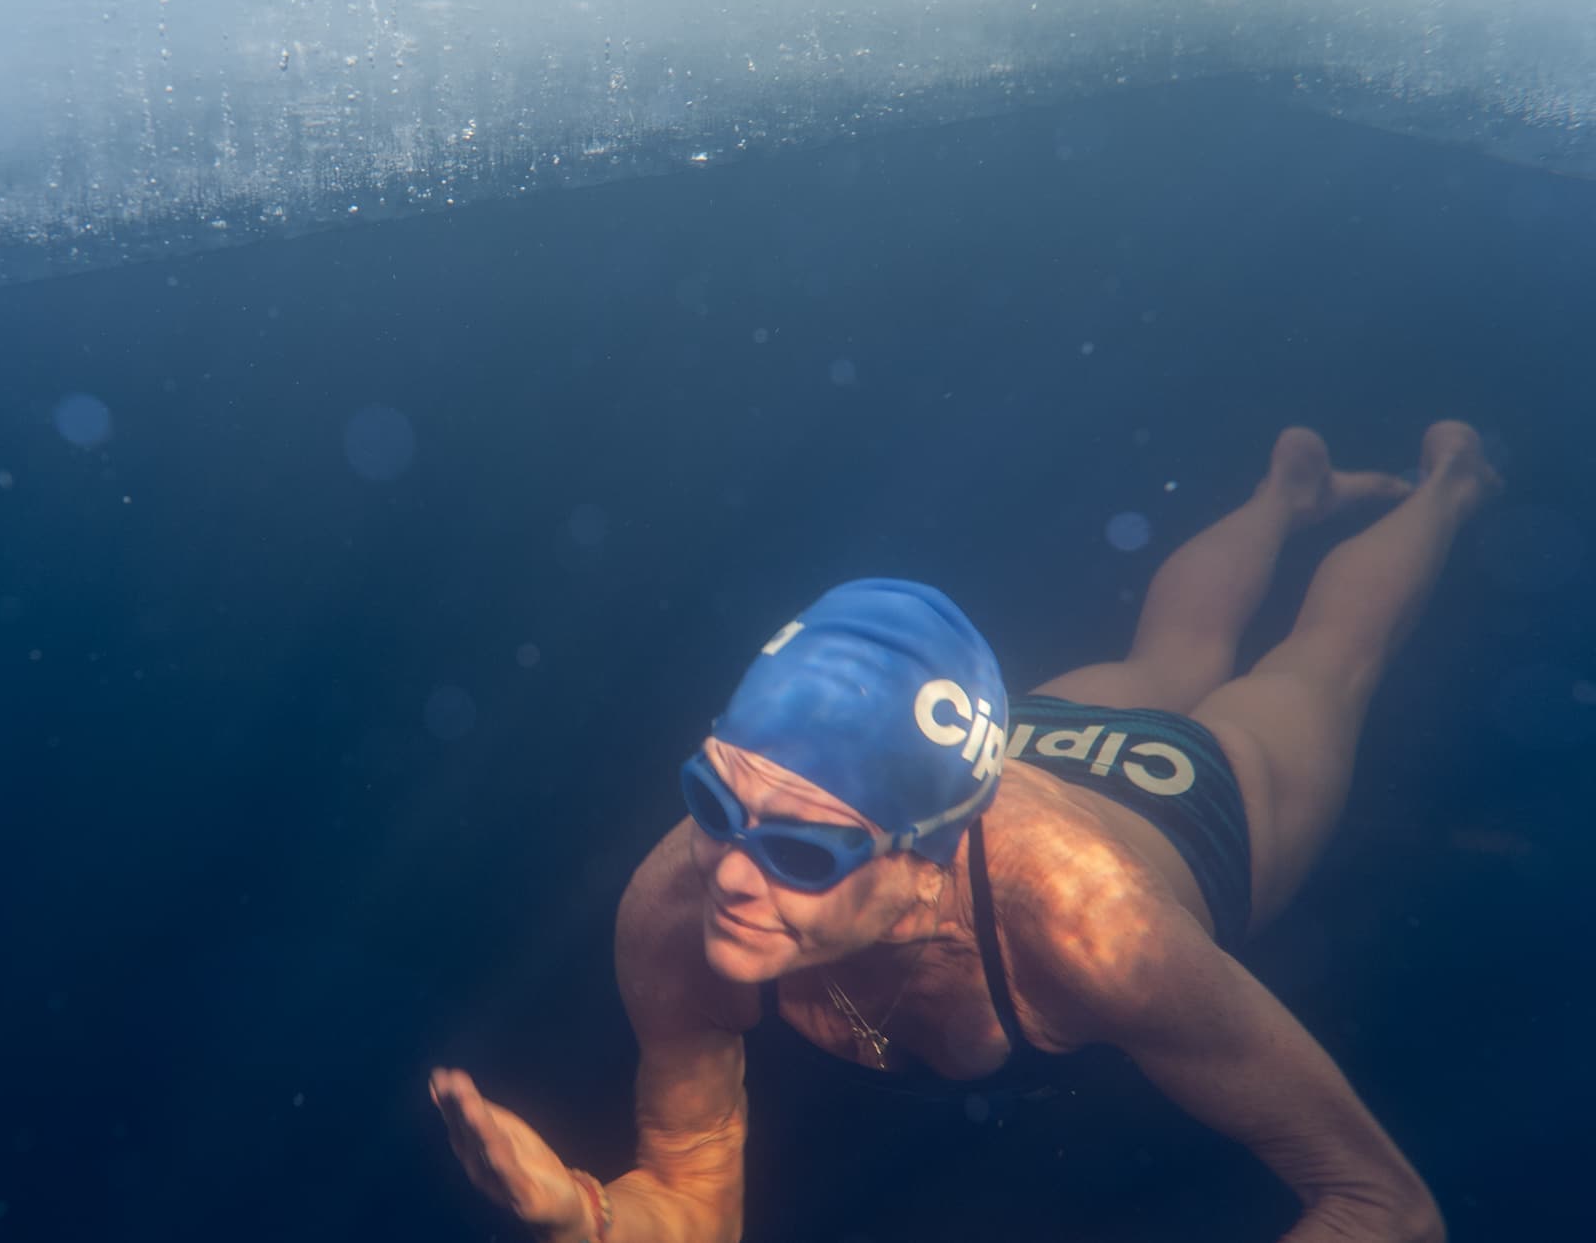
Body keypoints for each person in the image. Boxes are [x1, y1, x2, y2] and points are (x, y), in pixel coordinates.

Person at [431, 422, 1500, 1243]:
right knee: (1172, 649)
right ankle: (1285, 492)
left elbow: (1381, 1203)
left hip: (1201, 801)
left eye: (802, 849)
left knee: (1316, 663)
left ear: (927, 856)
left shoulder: (1101, 931)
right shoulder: (673, 897)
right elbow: (687, 1188)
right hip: (1029, 738)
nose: (727, 875)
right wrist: (587, 1216)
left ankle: (1449, 480)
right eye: (713, 802)